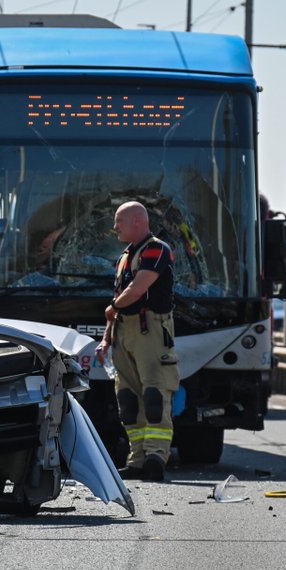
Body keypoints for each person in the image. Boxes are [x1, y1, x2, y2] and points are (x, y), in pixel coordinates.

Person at [94, 201, 178, 482]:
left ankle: (156, 457)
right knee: (128, 399)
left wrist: (115, 308)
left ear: (137, 222)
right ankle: (137, 458)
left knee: (154, 395)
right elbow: (117, 301)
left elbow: (137, 288)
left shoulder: (156, 249)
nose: (115, 227)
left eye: (119, 221)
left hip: (149, 329)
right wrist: (106, 338)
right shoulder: (125, 256)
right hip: (124, 330)